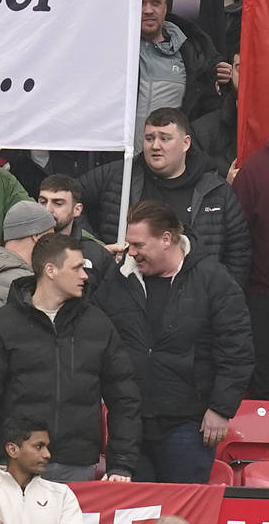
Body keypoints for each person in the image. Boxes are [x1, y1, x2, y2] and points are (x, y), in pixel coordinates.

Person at [0, 233, 139, 480]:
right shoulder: (2, 325)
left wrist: (121, 465)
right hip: (17, 464)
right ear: (50, 270)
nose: (85, 275)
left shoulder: (98, 324)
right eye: (76, 268)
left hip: (76, 466)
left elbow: (124, 397)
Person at [96, 200, 250, 484]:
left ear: (166, 239)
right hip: (129, 423)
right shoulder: (117, 278)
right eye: (129, 244)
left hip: (188, 424)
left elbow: (236, 349)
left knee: (180, 512)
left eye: (139, 244)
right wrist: (96, 258)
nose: (131, 252)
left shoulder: (213, 279)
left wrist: (221, 408)